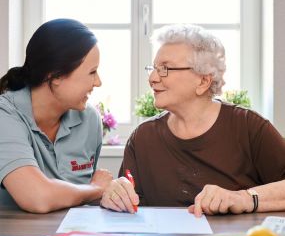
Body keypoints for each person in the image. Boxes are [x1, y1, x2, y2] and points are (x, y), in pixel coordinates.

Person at [100, 24, 285, 216]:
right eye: (154, 68)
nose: (153, 78)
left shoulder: (249, 127)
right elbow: (127, 205)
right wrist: (114, 196)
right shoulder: (142, 138)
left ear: (203, 81)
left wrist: (244, 198)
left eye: (165, 69)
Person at [0, 18, 113, 213]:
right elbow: (37, 197)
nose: (98, 82)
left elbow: (81, 196)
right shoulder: (5, 115)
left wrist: (110, 192)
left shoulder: (90, 119)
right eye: (92, 72)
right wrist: (96, 188)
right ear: (56, 75)